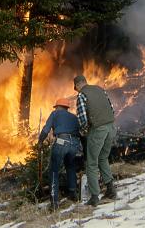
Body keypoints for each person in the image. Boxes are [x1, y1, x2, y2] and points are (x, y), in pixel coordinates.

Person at [74, 75, 116, 206]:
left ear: (78, 85)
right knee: (103, 158)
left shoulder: (82, 96)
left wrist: (84, 132)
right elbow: (111, 108)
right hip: (111, 127)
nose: (76, 91)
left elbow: (82, 119)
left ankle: (94, 197)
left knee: (91, 163)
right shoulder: (100, 89)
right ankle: (111, 190)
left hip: (98, 130)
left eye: (76, 88)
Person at [38, 97, 81, 211]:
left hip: (61, 142)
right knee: (70, 167)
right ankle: (73, 194)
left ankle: (54, 202)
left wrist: (40, 142)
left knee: (53, 171)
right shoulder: (74, 117)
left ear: (57, 107)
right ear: (67, 108)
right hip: (74, 144)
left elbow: (46, 130)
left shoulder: (55, 114)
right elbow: (80, 132)